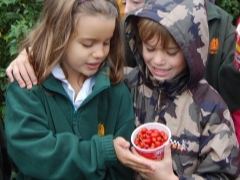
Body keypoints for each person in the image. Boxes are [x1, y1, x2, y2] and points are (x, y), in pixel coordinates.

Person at [4, 0, 155, 179]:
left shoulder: (117, 92)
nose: (99, 53)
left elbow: (122, 170)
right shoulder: (28, 86)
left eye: (106, 42)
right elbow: (30, 154)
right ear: (59, 36)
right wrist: (102, 152)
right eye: (87, 44)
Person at [122, 0, 240, 179]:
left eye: (171, 52)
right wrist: (112, 146)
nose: (158, 60)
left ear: (191, 51)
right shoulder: (127, 85)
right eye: (150, 48)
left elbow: (225, 175)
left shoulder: (211, 108)